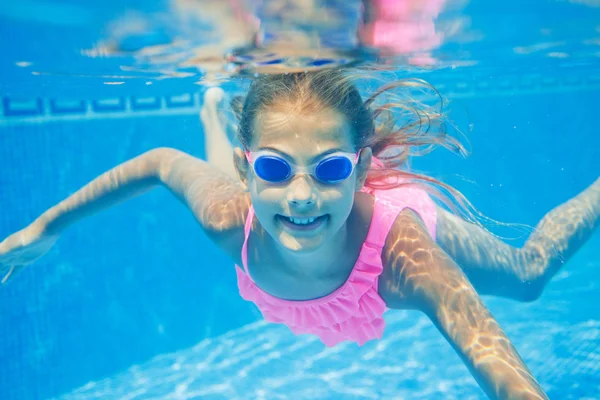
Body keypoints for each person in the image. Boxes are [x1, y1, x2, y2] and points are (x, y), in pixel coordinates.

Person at [1, 70, 598, 400]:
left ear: (362, 170)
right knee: (230, 198)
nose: (303, 195)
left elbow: (492, 355)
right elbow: (158, 162)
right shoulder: (229, 218)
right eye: (273, 168)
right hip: (246, 201)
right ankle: (216, 117)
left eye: (333, 169)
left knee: (528, 276)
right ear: (248, 168)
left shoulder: (405, 259)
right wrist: (43, 228)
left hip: (382, 236)